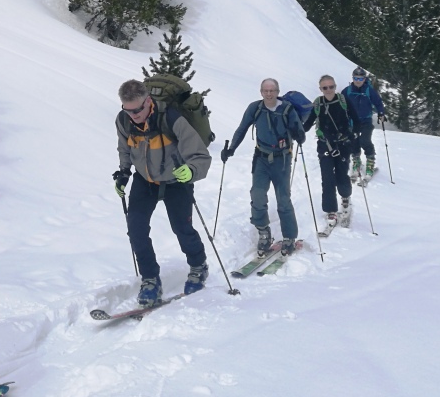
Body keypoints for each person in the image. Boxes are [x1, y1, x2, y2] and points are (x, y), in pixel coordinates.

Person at [114, 79, 212, 307]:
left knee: (182, 228)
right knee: (136, 229)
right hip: (144, 180)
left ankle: (198, 266)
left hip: (177, 179)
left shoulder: (171, 119)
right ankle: (150, 280)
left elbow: (201, 156)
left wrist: (191, 170)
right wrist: (124, 172)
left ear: (148, 101)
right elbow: (124, 147)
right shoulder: (123, 120)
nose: (133, 115)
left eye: (137, 109)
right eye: (127, 110)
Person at [220, 79, 304, 256]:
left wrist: (297, 132)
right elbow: (242, 128)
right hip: (261, 158)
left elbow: (301, 136)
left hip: (282, 159)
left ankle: (289, 237)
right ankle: (263, 232)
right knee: (257, 194)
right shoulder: (255, 108)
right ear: (261, 92)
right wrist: (231, 149)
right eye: (266, 90)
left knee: (283, 197)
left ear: (277, 91)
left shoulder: (287, 109)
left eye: (272, 90)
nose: (269, 94)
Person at [302, 76, 361, 230]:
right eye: (325, 88)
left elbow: (356, 119)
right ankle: (330, 210)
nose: (328, 90)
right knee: (327, 178)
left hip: (342, 144)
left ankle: (345, 196)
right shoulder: (318, 103)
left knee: (342, 175)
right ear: (320, 89)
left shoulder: (343, 100)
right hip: (325, 145)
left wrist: (354, 134)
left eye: (331, 87)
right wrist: (298, 132)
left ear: (335, 87)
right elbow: (309, 122)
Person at [343, 67, 386, 183]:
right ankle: (356, 161)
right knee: (354, 141)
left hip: (366, 121)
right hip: (352, 122)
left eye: (360, 78)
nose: (358, 81)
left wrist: (381, 113)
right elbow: (340, 103)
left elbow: (378, 102)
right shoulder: (347, 91)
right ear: (352, 78)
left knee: (365, 140)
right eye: (356, 78)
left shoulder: (368, 90)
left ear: (364, 79)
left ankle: (370, 161)